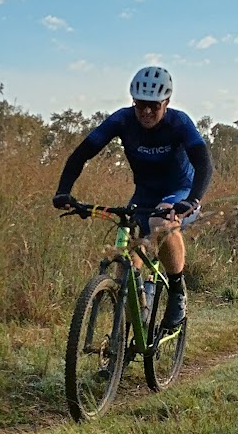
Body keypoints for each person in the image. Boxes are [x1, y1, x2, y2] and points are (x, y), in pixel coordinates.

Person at [52, 66, 212, 330]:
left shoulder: (179, 123)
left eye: (154, 106)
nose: (147, 112)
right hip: (144, 194)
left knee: (160, 224)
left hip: (179, 192)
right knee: (126, 262)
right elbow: (81, 154)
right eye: (140, 106)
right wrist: (64, 191)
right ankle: (126, 337)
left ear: (166, 103)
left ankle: (176, 292)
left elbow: (204, 164)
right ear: (133, 102)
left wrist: (192, 199)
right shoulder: (122, 121)